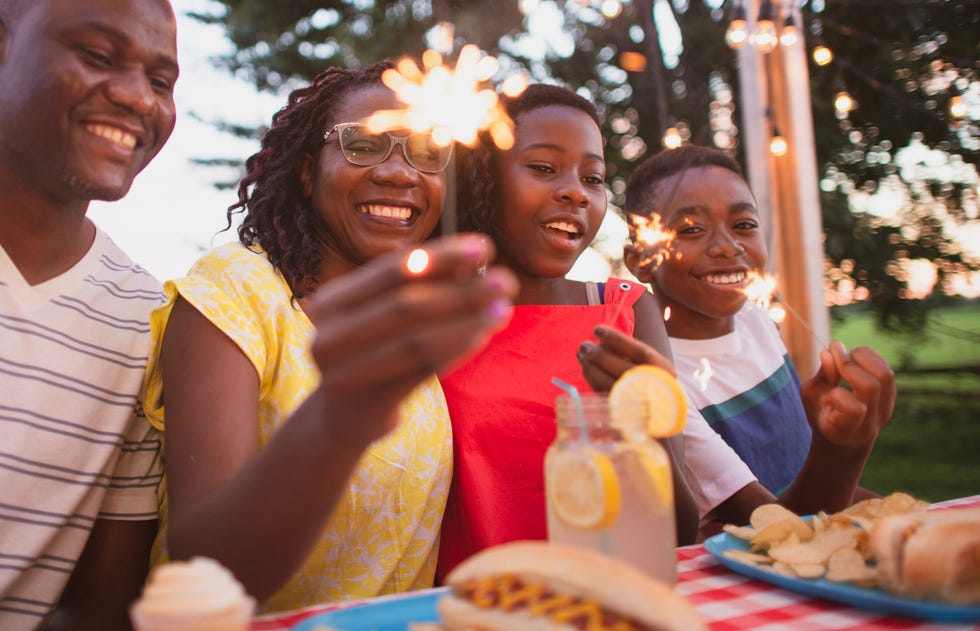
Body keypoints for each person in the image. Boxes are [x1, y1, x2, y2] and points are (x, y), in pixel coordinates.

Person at [142, 59, 518, 613]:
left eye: (427, 152)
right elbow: (207, 569)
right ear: (305, 170)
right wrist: (338, 418)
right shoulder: (237, 292)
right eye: (363, 145)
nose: (399, 173)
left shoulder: (426, 322)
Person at [436, 84, 699, 581]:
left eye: (593, 177)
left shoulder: (628, 312)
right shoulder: (437, 322)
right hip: (478, 609)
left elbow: (683, 531)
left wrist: (647, 433)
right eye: (542, 168)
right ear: (483, 180)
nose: (576, 191)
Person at [0, 0, 179, 628]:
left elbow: (99, 606)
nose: (138, 99)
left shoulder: (146, 319)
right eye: (99, 57)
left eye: (161, 82)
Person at [622, 144, 896, 537]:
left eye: (744, 225)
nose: (727, 246)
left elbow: (804, 478)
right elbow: (777, 532)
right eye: (691, 230)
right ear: (641, 261)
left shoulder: (754, 318)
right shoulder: (659, 382)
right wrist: (843, 449)